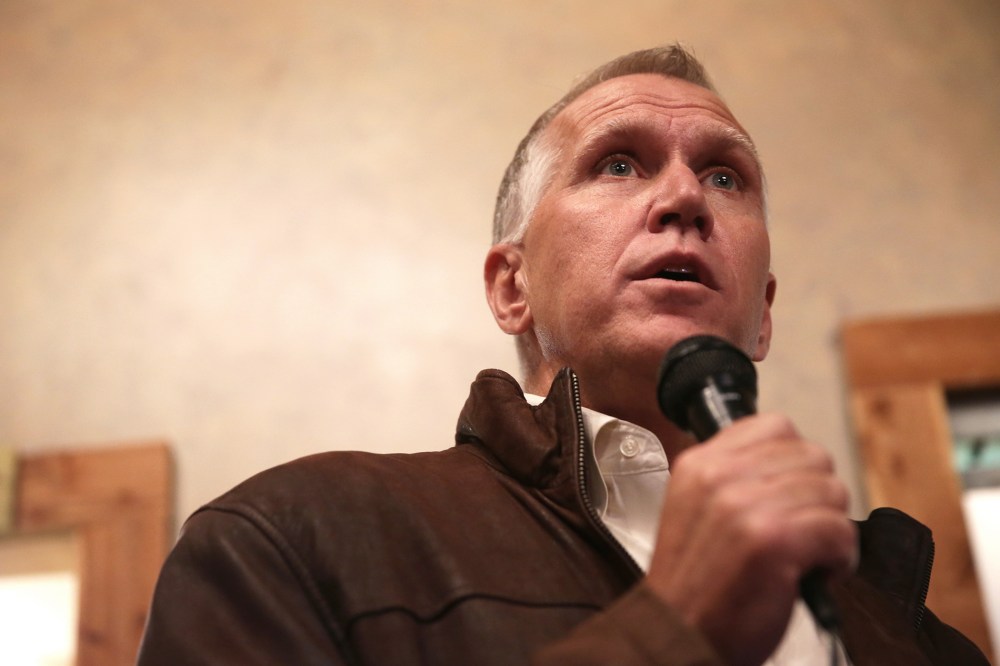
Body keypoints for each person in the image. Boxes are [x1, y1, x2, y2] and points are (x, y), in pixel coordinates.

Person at [136, 45, 989, 665]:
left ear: (762, 316)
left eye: (725, 177)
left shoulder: (908, 623)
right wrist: (675, 634)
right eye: (618, 164)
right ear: (513, 287)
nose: (685, 197)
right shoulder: (291, 541)